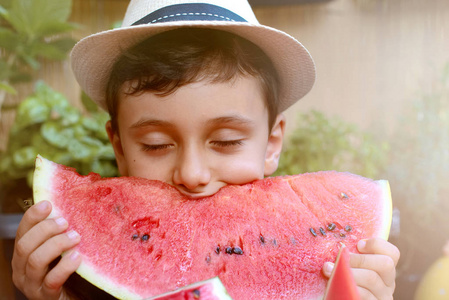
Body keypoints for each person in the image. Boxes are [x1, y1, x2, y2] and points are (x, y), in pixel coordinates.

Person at [11, 0, 400, 299]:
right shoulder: (83, 271)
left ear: (272, 143)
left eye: (227, 141)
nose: (193, 174)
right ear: (120, 146)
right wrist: (52, 294)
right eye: (156, 145)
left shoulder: (322, 260)